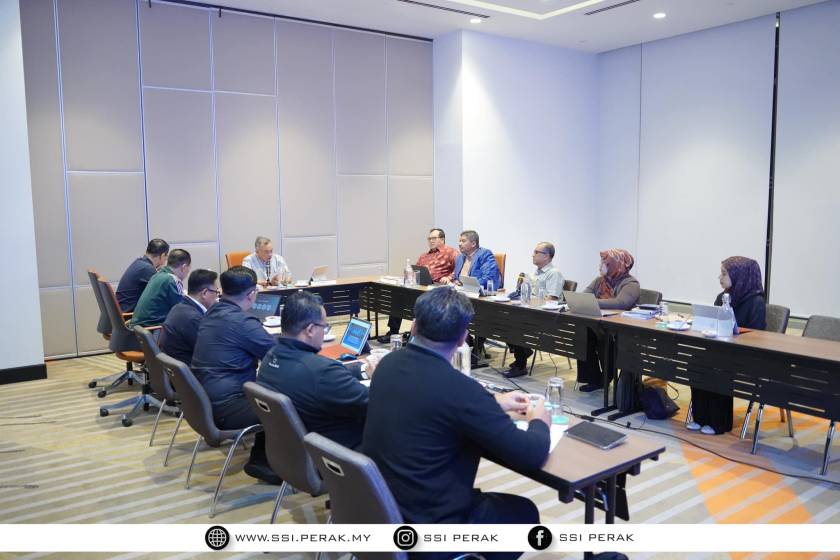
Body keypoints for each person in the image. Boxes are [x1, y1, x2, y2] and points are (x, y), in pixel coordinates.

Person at [362, 287, 550, 560]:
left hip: (382, 507)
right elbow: (530, 454)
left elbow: (429, 399)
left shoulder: (388, 365)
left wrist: (493, 401)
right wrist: (538, 421)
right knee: (524, 514)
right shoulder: (460, 389)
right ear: (463, 338)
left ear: (414, 326)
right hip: (432, 526)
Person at [191, 266, 278, 484]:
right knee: (287, 402)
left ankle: (264, 457)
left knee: (269, 390)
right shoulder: (242, 322)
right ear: (251, 294)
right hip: (228, 408)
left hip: (204, 402)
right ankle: (265, 461)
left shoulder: (212, 313)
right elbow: (278, 355)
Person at [257, 291, 372, 450]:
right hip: (341, 454)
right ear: (310, 329)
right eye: (324, 327)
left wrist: (362, 370)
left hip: (293, 451)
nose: (324, 332)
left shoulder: (270, 357)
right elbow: (373, 403)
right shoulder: (322, 372)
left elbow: (319, 377)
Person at [689, 256, 766, 435]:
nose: (720, 277)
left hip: (745, 356)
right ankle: (700, 418)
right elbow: (714, 324)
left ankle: (719, 422)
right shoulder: (722, 297)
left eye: (724, 273)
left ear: (739, 275)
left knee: (718, 365)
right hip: (722, 350)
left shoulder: (756, 302)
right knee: (696, 361)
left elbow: (757, 338)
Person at [377, 227, 459, 343]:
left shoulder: (452, 252)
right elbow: (415, 271)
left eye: (434, 238)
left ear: (442, 239)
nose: (431, 241)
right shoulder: (424, 256)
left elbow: (458, 270)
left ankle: (414, 335)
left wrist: (448, 278)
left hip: (437, 290)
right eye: (429, 239)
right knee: (397, 297)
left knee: (419, 302)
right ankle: (393, 332)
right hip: (420, 287)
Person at [576, 249, 640, 392]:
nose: (600, 266)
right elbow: (584, 296)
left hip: (621, 330)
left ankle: (606, 377)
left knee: (604, 339)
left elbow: (621, 303)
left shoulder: (631, 283)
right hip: (599, 325)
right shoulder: (599, 281)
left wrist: (592, 302)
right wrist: (588, 301)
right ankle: (594, 379)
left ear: (617, 265)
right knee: (582, 334)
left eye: (605, 263)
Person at [504, 242, 565, 378]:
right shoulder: (534, 273)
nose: (533, 255)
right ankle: (523, 351)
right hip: (530, 312)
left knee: (515, 324)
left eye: (537, 252)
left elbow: (551, 299)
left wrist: (530, 300)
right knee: (504, 319)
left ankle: (520, 365)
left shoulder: (554, 274)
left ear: (546, 256)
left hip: (545, 317)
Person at [443, 230, 501, 366]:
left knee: (468, 315)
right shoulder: (460, 258)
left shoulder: (485, 254)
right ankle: (463, 344)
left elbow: (488, 278)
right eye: (459, 241)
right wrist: (452, 280)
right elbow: (457, 276)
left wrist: (465, 284)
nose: (459, 243)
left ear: (473, 243)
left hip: (480, 298)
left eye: (463, 241)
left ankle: (474, 349)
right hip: (462, 296)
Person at [159, 269, 219, 367]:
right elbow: (212, 353)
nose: (217, 297)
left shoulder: (179, 307)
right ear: (204, 293)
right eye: (216, 292)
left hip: (175, 369)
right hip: (189, 372)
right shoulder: (193, 319)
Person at [129, 249, 191, 328]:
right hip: (152, 329)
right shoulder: (173, 280)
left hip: (138, 328)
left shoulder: (157, 275)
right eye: (189, 268)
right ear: (184, 267)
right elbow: (182, 312)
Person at [116, 239, 169, 312]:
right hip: (130, 314)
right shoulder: (147, 269)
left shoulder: (139, 263)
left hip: (123, 310)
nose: (166, 259)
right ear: (162, 255)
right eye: (166, 256)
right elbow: (162, 294)